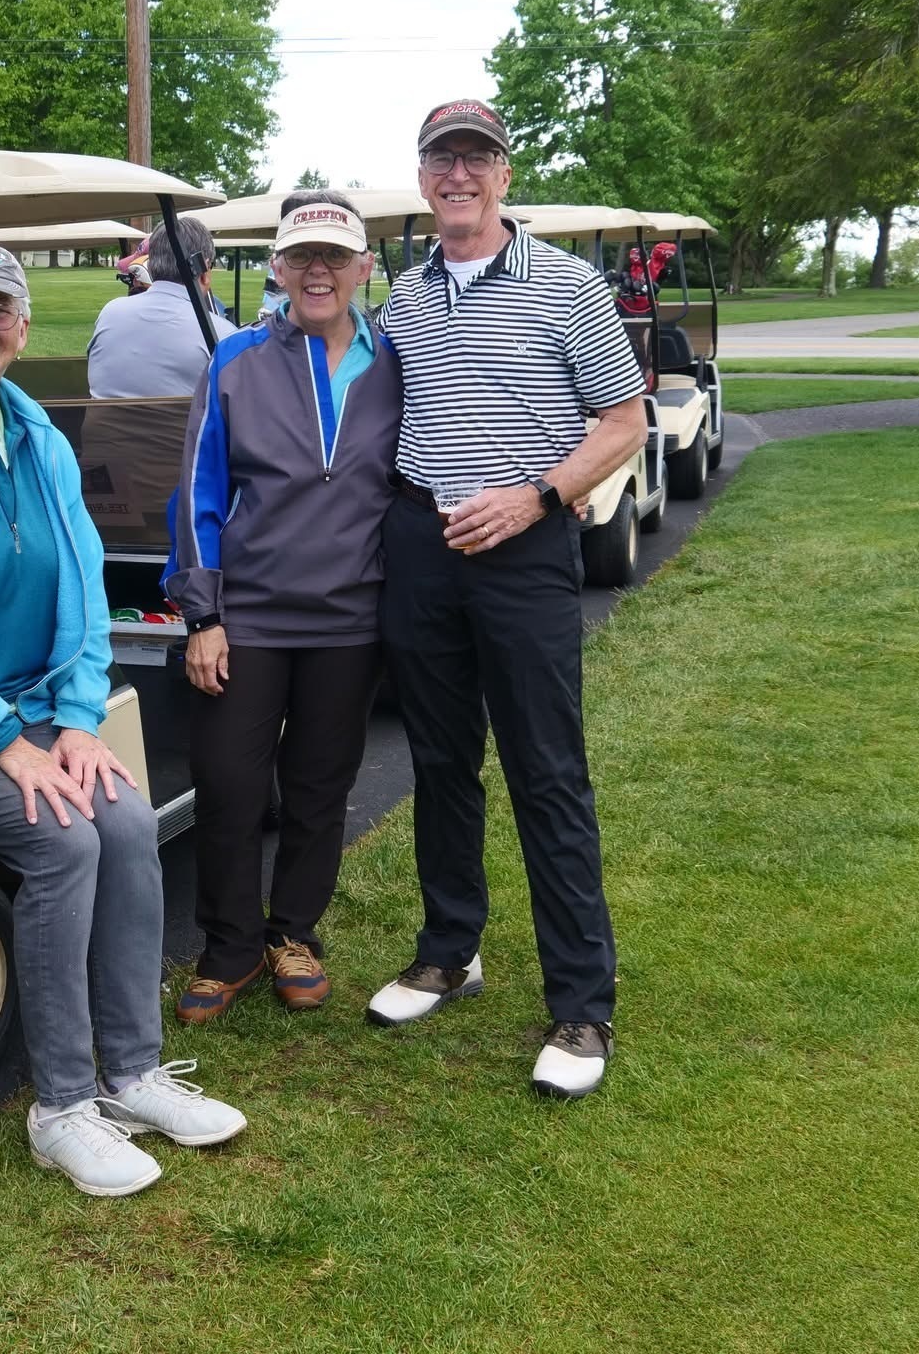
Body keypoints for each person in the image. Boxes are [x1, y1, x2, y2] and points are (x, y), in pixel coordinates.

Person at [0, 243, 247, 1198]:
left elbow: (82, 593)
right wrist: (5, 741)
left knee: (128, 822)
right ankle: (60, 1106)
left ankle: (132, 1073)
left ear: (23, 327)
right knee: (64, 840)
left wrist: (74, 720)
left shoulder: (41, 438)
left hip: (28, 709)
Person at [370, 99, 647, 1101]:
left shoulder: (566, 283)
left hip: (525, 546)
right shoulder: (402, 297)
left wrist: (536, 496)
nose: (458, 175)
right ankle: (450, 951)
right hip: (422, 543)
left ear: (503, 174)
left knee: (545, 770)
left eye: (475, 158)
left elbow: (624, 419)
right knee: (440, 759)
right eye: (441, 159)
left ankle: (581, 1004)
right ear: (421, 177)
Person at [163, 192, 402, 1023]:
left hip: (353, 616)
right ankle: (230, 946)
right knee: (228, 780)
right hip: (250, 613)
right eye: (302, 257)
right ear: (278, 268)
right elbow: (197, 491)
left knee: (319, 785)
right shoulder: (235, 360)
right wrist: (203, 615)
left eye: (335, 256)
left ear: (363, 267)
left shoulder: (395, 360)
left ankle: (294, 932)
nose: (318, 271)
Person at [86, 216, 238, 398]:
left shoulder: (110, 313)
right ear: (204, 270)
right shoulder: (222, 333)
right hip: (189, 418)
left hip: (100, 418)